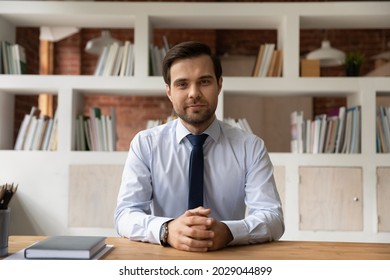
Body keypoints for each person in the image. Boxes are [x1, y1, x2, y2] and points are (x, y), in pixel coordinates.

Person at [114, 41, 284, 252]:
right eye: (182, 84)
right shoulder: (145, 144)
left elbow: (273, 218)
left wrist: (230, 232)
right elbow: (125, 215)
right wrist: (166, 230)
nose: (194, 93)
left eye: (204, 81)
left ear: (219, 84)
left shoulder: (251, 147)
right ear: (169, 91)